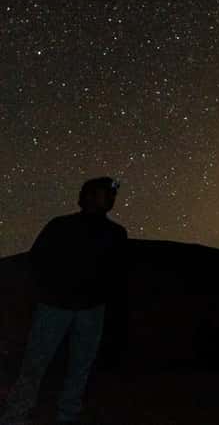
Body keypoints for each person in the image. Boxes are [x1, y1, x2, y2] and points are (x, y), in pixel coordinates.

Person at [1, 177, 127, 425]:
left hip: (90, 310)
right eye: (105, 193)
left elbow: (117, 271)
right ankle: (16, 415)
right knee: (35, 364)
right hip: (54, 307)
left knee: (80, 367)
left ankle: (66, 415)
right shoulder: (60, 226)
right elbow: (37, 261)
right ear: (88, 196)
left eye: (112, 195)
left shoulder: (116, 233)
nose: (111, 198)